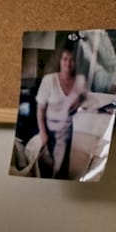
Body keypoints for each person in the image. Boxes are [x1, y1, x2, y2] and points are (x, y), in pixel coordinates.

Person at [34, 41, 88, 179]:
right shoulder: (49, 80)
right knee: (35, 154)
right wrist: (43, 133)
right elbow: (40, 109)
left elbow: (85, 96)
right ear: (60, 60)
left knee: (64, 163)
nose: (68, 63)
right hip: (49, 128)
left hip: (68, 131)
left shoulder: (80, 80)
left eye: (72, 60)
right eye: (65, 59)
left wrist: (78, 101)